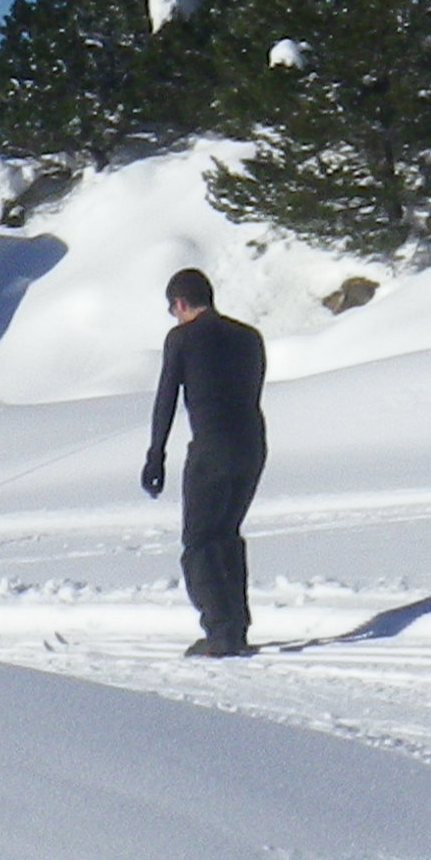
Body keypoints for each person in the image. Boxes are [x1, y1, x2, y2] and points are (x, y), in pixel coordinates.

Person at [142, 267, 270, 658]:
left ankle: (220, 630)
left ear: (180, 303)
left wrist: (155, 456)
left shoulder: (182, 339)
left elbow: (166, 398)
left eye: (173, 308)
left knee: (199, 542)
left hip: (212, 447)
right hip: (252, 444)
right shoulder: (250, 337)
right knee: (226, 534)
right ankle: (237, 626)